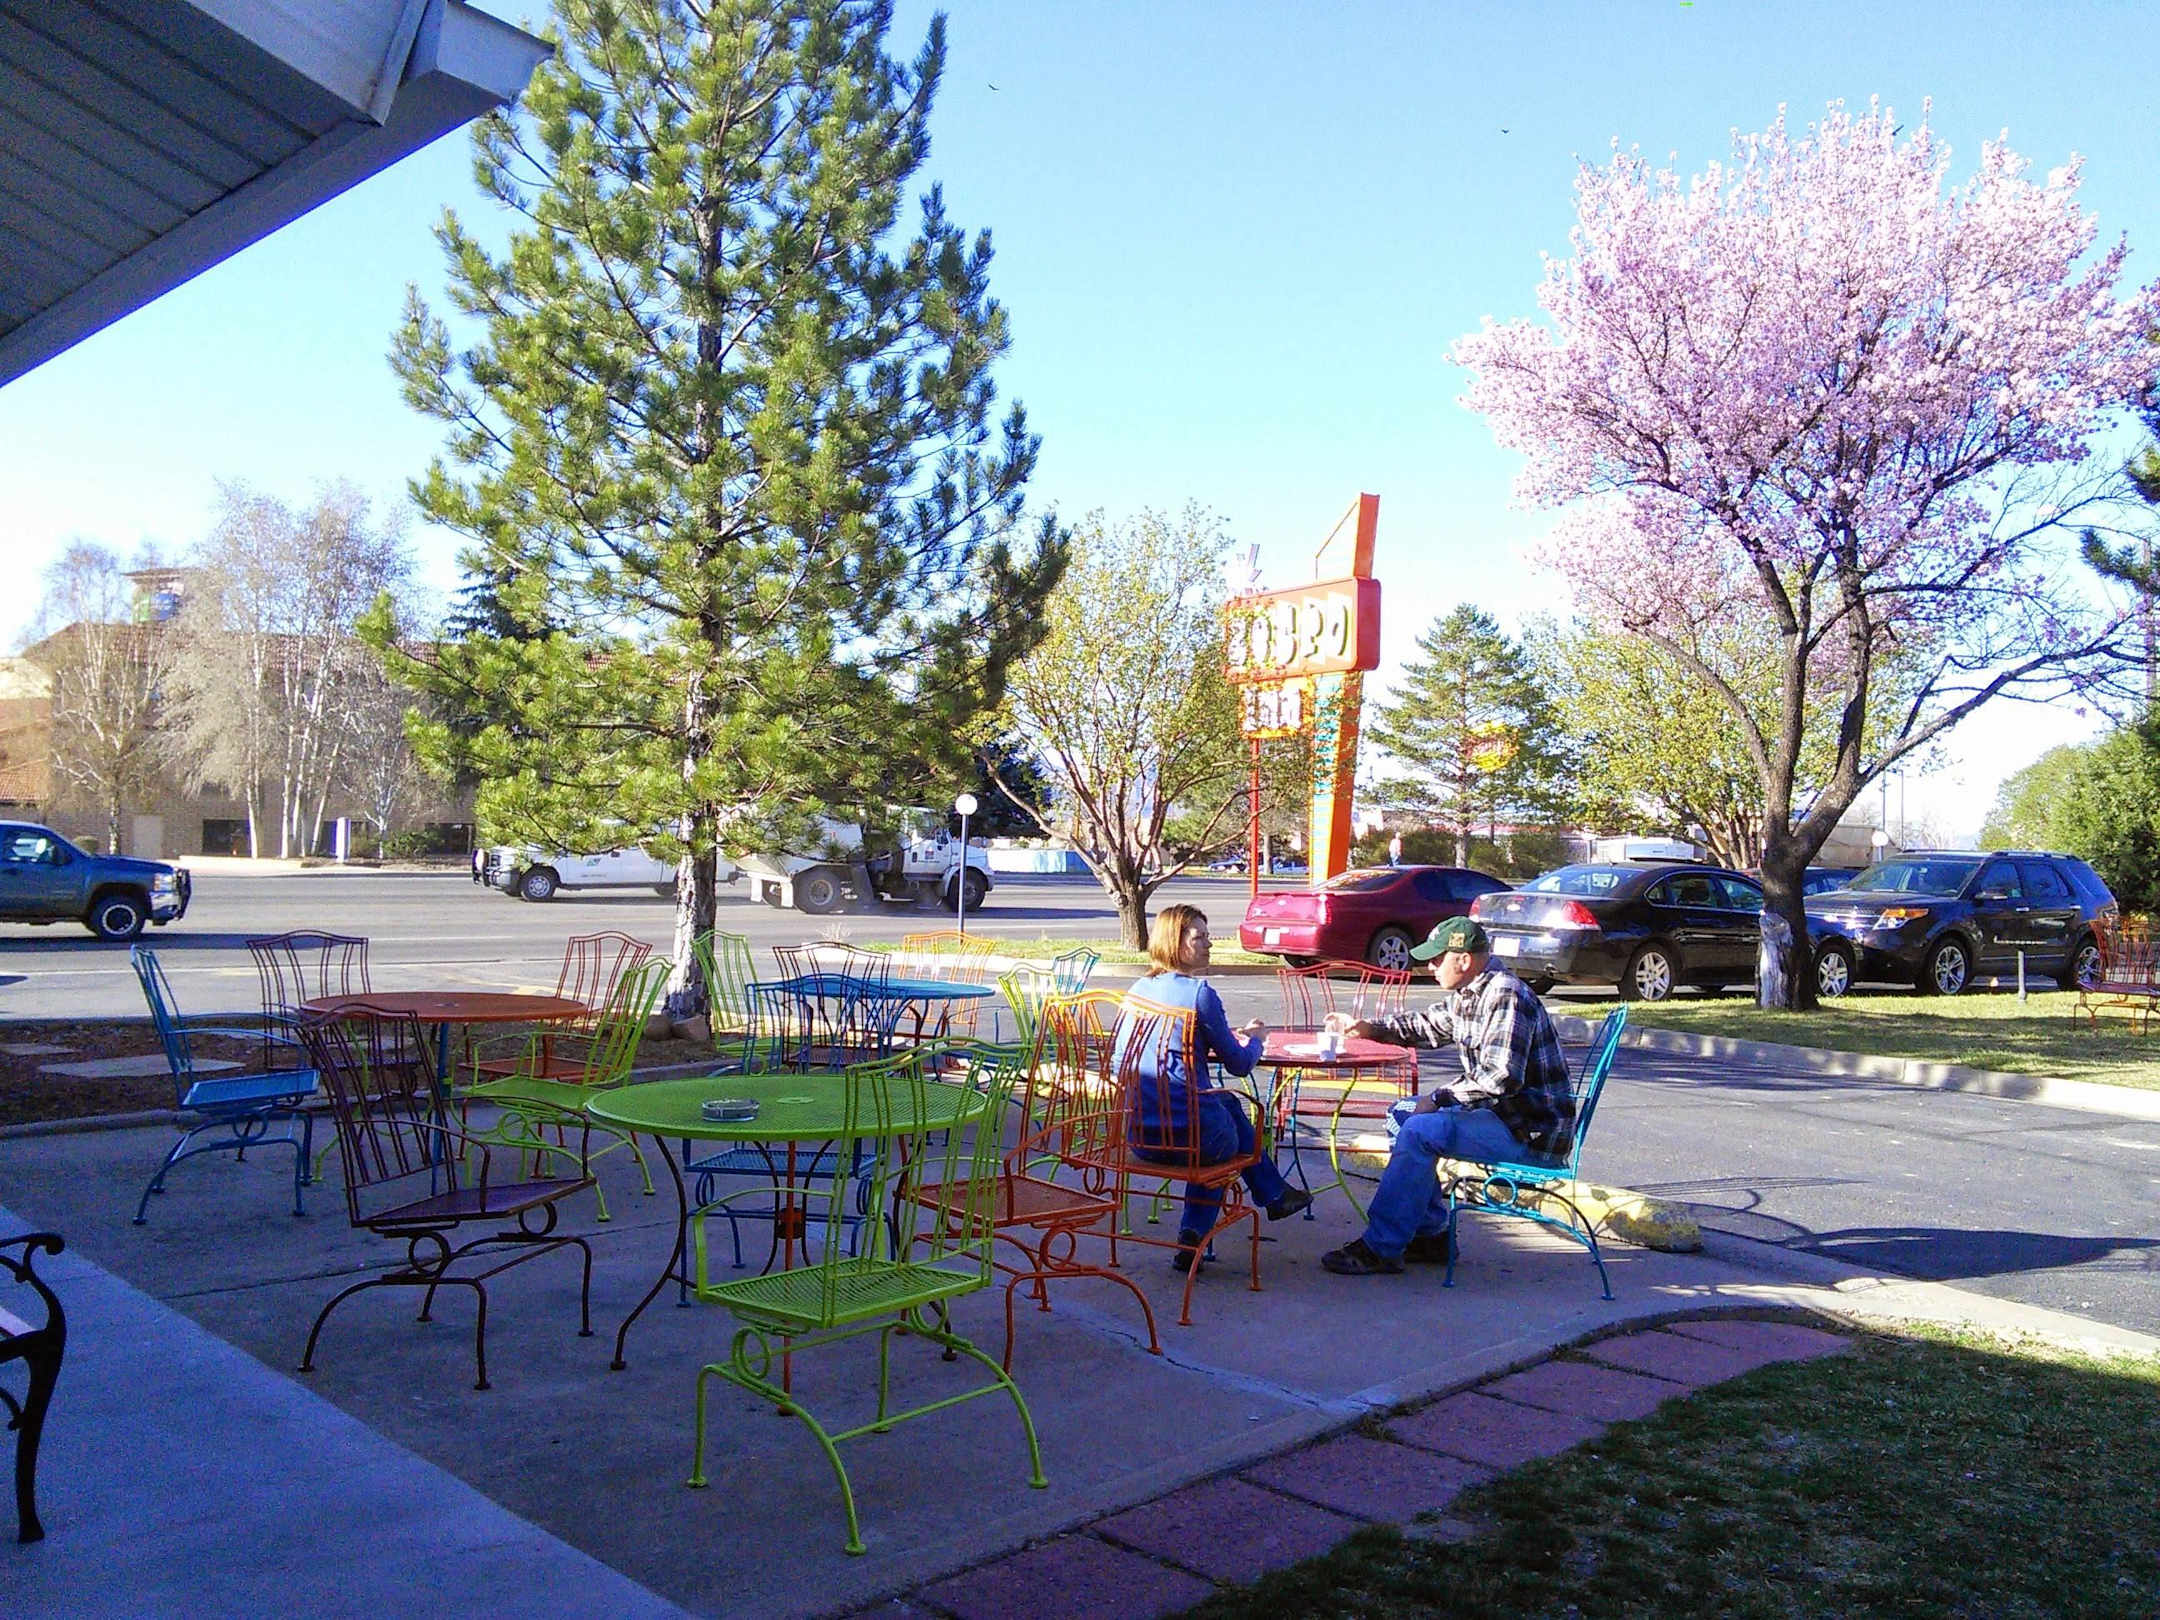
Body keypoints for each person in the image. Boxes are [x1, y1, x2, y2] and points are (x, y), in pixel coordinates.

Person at [1317, 915, 1573, 1276]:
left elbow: (1500, 1077)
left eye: (1437, 959)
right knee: (1402, 1113)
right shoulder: (1472, 993)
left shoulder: (1506, 995)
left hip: (1528, 1132)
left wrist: (1437, 1099)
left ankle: (1381, 1246)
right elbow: (1426, 1025)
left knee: (1419, 1129)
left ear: (1464, 960)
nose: (1430, 967)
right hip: (1502, 1117)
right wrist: (1369, 1028)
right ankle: (1430, 1235)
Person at [1112, 903, 1312, 1271]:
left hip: (1142, 1136)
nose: (1209, 944)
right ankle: (1258, 1200)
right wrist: (1256, 1040)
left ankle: (1270, 1196)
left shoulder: (1138, 990)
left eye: (1208, 937)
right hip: (1194, 1139)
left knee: (1226, 1107)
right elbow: (1239, 1065)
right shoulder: (1199, 994)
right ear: (1175, 942)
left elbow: (1117, 1062)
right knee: (1223, 1137)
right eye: (1199, 937)